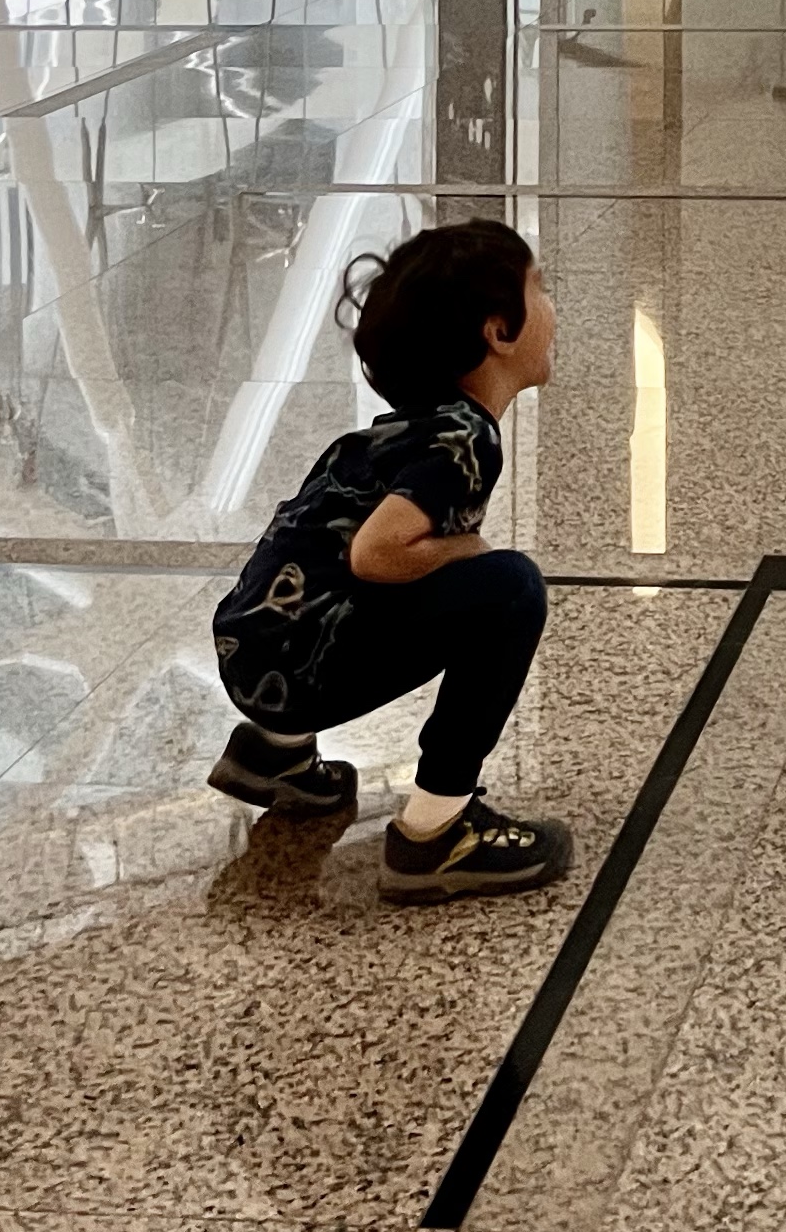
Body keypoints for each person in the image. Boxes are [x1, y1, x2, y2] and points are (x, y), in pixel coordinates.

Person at [206, 218, 572, 905]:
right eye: (541, 287)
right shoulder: (467, 439)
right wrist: (471, 549)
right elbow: (376, 553)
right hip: (306, 670)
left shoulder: (392, 435)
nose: (553, 304)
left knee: (390, 588)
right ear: (500, 331)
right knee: (510, 590)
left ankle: (274, 753)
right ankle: (438, 829)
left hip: (252, 660)